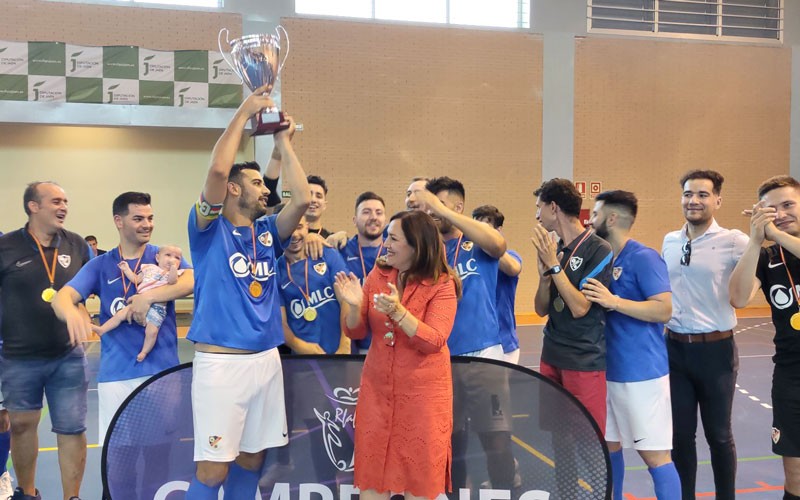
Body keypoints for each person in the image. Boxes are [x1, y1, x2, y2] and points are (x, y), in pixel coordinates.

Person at [184, 87, 310, 500]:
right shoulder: (208, 230)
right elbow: (218, 173)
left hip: (266, 361)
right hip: (222, 367)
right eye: (257, 183)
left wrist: (282, 143)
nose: (266, 190)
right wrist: (244, 112)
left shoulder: (266, 233)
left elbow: (302, 199)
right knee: (213, 468)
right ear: (235, 191)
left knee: (253, 459)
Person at [53, 191, 193, 499]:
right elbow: (64, 296)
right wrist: (71, 315)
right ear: (119, 221)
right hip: (118, 377)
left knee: (159, 462)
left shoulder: (162, 255)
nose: (147, 225)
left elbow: (192, 280)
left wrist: (150, 296)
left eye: (150, 218)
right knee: (119, 466)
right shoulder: (102, 265)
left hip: (162, 376)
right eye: (138, 218)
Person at [335, 210, 460, 500]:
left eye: (393, 238)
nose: (385, 243)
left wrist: (398, 311)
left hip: (423, 402)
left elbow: (434, 340)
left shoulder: (442, 284)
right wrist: (353, 307)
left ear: (416, 246)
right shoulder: (377, 275)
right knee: (372, 487)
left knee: (419, 488)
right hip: (377, 396)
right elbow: (355, 331)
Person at [412, 177, 517, 491]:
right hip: (442, 358)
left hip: (485, 356)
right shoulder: (429, 250)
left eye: (439, 206)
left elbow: (499, 246)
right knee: (450, 446)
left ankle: (504, 493)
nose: (432, 213)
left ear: (457, 206)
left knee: (497, 442)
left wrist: (443, 209)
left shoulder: (477, 242)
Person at [584, 190, 681, 500]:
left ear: (611, 218)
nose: (590, 220)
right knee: (608, 449)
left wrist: (615, 302)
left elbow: (664, 310)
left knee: (654, 456)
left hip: (641, 375)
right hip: (605, 372)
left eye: (595, 214)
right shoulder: (601, 258)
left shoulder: (643, 257)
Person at [0, 181, 91, 500]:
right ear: (33, 207)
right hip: (17, 357)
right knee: (22, 425)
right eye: (55, 201)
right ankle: (27, 493)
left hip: (67, 356)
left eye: (65, 200)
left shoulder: (78, 245)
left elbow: (87, 289)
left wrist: (84, 315)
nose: (63, 206)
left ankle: (72, 497)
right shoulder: (7, 246)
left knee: (72, 429)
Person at [662, 170, 746, 500]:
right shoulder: (669, 240)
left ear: (717, 200)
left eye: (702, 194)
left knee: (719, 436)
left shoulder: (734, 241)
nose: (693, 201)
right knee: (681, 437)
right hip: (676, 349)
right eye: (687, 194)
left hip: (716, 352)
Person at [729, 175, 800, 500]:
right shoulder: (768, 257)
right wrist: (756, 240)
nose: (782, 213)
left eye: (788, 205)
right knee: (795, 476)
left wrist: (775, 232)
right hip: (791, 375)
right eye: (772, 210)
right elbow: (739, 298)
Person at [532, 178, 612, 430]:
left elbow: (580, 308)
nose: (537, 215)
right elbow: (541, 309)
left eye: (539, 207)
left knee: (588, 439)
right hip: (552, 355)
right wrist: (544, 278)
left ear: (553, 207)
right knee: (558, 439)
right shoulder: (554, 248)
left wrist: (554, 266)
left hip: (583, 361)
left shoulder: (598, 249)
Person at [90, 245, 185, 362]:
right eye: (168, 255)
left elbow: (172, 281)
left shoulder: (175, 273)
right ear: (157, 257)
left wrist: (173, 270)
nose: (172, 260)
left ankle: (144, 351)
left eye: (177, 258)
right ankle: (102, 329)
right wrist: (126, 270)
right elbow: (136, 279)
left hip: (157, 307)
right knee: (120, 315)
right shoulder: (148, 268)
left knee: (152, 331)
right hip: (138, 302)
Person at [277, 216, 350, 355]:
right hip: (303, 361)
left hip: (341, 353)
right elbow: (281, 323)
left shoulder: (326, 253)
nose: (294, 235)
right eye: (288, 229)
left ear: (307, 227)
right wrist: (302, 347)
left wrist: (345, 344)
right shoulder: (275, 271)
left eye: (299, 227)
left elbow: (346, 300)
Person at [472, 205, 523, 364]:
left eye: (485, 229)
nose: (480, 234)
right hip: (475, 341)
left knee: (498, 389)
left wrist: (486, 243)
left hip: (504, 342)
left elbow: (513, 268)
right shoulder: (469, 260)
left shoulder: (511, 257)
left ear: (498, 230)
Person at [339, 191, 388, 353]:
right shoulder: (342, 249)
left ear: (385, 220)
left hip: (390, 343)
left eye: (378, 213)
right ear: (354, 220)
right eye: (366, 212)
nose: (373, 217)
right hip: (355, 346)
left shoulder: (396, 249)